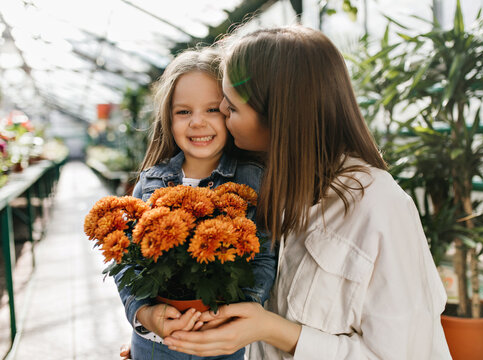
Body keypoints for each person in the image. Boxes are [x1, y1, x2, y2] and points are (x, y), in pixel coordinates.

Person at [161, 25, 452, 359]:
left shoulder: (380, 207)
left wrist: (271, 329)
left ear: (281, 116)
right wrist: (171, 346)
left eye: (233, 107)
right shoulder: (270, 183)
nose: (223, 112)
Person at [115, 47, 276, 360]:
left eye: (213, 109)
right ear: (168, 118)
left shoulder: (254, 180)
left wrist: (232, 315)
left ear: (230, 112)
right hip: (155, 345)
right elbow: (126, 263)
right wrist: (144, 316)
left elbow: (263, 259)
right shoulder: (150, 182)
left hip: (223, 344)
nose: (197, 122)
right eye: (184, 112)